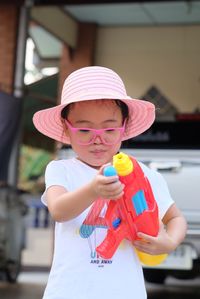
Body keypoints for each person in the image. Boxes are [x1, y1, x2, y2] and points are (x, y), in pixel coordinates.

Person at [33, 66, 187, 299]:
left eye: (109, 129)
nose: (98, 139)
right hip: (69, 291)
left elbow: (175, 218)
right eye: (84, 130)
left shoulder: (140, 175)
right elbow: (59, 210)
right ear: (67, 128)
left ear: (124, 126)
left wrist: (170, 242)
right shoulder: (61, 169)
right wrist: (93, 190)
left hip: (125, 292)